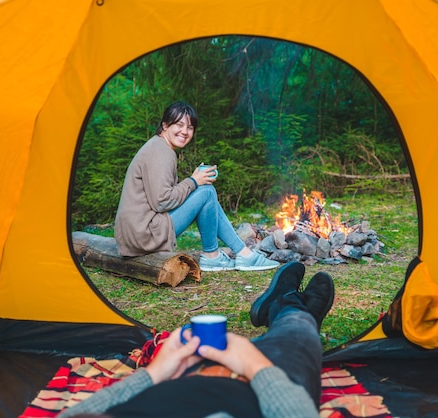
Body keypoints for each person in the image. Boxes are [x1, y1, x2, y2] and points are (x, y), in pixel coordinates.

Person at [57, 261, 335, 418]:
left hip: (187, 375)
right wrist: (255, 367)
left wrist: (154, 373)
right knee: (297, 332)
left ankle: (284, 306)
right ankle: (290, 308)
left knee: (292, 333)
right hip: (272, 388)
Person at [114, 101, 279, 272]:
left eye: (190, 127)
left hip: (137, 233)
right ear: (165, 125)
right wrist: (193, 182)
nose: (185, 132)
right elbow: (162, 201)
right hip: (144, 235)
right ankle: (237, 255)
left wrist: (194, 183)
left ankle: (220, 256)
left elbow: (161, 197)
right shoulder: (161, 152)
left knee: (205, 192)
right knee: (206, 192)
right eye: (179, 125)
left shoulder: (157, 146)